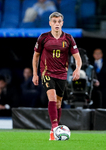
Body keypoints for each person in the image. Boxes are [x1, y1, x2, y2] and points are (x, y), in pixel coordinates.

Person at [32, 12, 82, 140]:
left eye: (59, 21)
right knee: (52, 97)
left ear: (62, 23)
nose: (57, 24)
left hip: (62, 73)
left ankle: (53, 132)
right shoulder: (43, 38)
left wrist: (77, 69)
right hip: (47, 72)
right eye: (54, 21)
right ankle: (55, 127)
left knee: (59, 103)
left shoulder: (69, 38)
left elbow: (77, 57)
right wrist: (34, 74)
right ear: (50, 23)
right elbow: (36, 56)